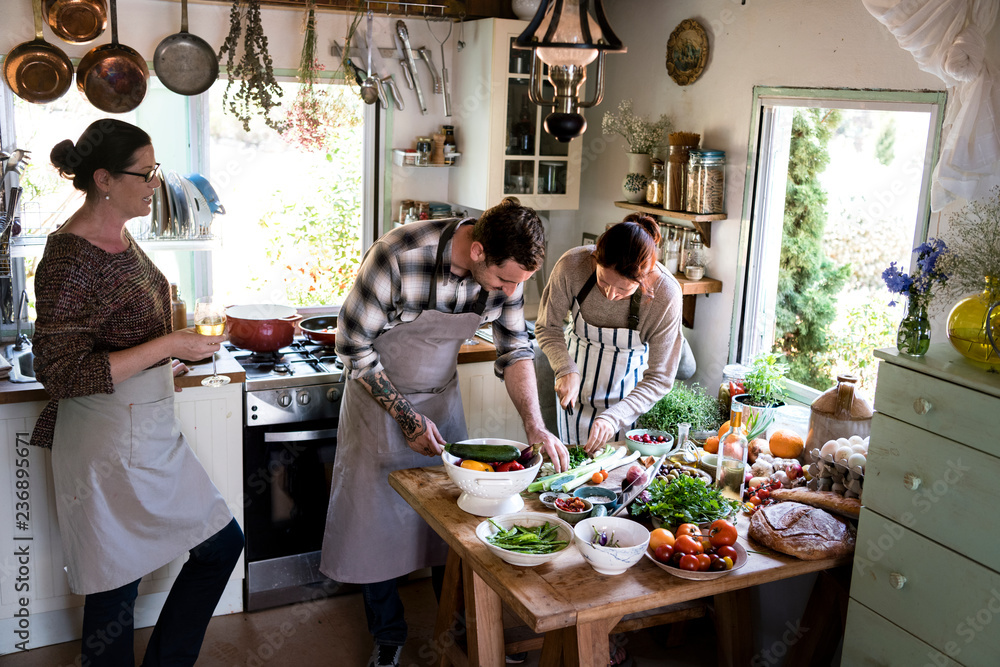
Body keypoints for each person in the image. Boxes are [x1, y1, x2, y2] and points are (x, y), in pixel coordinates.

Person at [30, 119, 244, 667]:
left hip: (145, 430)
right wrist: (168, 344)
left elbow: (122, 341)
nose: (155, 185)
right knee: (115, 583)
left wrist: (164, 363)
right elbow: (58, 372)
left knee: (218, 546)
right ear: (104, 178)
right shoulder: (68, 258)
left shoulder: (124, 237)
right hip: (104, 445)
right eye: (145, 174)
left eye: (155, 172)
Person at [321, 198, 569, 667]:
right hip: (380, 405)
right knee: (373, 529)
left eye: (518, 283)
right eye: (504, 281)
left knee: (453, 526)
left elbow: (515, 350)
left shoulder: (507, 273)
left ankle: (458, 633)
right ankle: (388, 638)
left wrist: (535, 425)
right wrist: (407, 419)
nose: (510, 291)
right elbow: (351, 346)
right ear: (477, 251)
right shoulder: (396, 255)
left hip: (442, 399)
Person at [536, 213, 685, 453]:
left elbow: (661, 377)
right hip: (572, 394)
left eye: (623, 289)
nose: (611, 295)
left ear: (645, 278)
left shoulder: (666, 295)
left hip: (627, 403)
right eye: (603, 282)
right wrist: (565, 368)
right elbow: (547, 326)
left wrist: (615, 417)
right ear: (595, 259)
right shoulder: (572, 266)